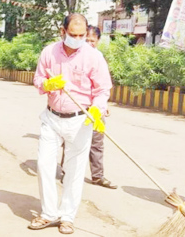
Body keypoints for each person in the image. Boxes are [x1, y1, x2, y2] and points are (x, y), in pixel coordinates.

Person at [29, 13, 112, 234]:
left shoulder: (94, 56)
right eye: (72, 34)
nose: (77, 38)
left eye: (81, 35)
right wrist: (48, 84)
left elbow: (103, 89)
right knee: (44, 165)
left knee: (74, 170)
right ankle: (48, 213)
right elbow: (37, 80)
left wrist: (97, 108)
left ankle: (67, 216)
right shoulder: (49, 52)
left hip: (80, 120)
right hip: (52, 116)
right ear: (62, 31)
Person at [84, 26, 116, 189]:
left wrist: (103, 104)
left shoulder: (99, 57)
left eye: (92, 40)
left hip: (96, 107)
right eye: (86, 40)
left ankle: (97, 176)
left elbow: (102, 85)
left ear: (98, 41)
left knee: (97, 142)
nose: (89, 43)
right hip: (79, 106)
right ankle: (67, 172)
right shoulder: (77, 55)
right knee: (72, 141)